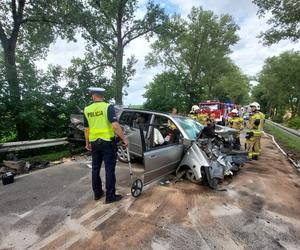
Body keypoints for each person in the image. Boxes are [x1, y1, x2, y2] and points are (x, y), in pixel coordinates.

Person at [84, 87, 128, 203]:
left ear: (93, 96)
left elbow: (86, 129)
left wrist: (87, 142)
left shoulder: (87, 109)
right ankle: (110, 196)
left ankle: (97, 194)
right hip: (107, 142)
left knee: (95, 168)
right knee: (109, 169)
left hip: (94, 143)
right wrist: (124, 139)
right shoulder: (108, 107)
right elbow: (115, 125)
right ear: (102, 96)